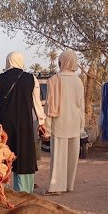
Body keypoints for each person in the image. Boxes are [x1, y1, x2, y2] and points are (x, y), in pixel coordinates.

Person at [0, 52, 47, 193]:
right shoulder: (31, 78)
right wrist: (41, 122)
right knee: (24, 157)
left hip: (3, 124)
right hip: (24, 124)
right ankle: (24, 193)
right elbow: (37, 104)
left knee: (3, 157)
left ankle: (2, 192)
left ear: (8, 61)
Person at [44, 50, 85, 194]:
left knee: (58, 157)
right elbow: (81, 106)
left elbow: (49, 105)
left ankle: (56, 187)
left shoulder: (55, 79)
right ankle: (69, 185)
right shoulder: (78, 81)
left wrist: (47, 127)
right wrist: (81, 126)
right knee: (72, 157)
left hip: (59, 122)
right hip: (74, 122)